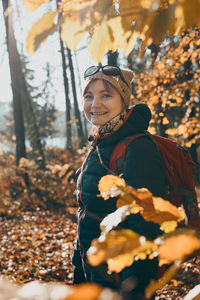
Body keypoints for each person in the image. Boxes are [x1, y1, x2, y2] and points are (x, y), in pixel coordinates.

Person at [72, 65, 168, 298]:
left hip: (120, 283)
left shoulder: (138, 148)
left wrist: (134, 291)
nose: (95, 104)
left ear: (124, 100)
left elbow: (145, 227)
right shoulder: (102, 142)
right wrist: (79, 270)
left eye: (106, 95)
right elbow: (89, 212)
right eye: (89, 96)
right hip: (94, 275)